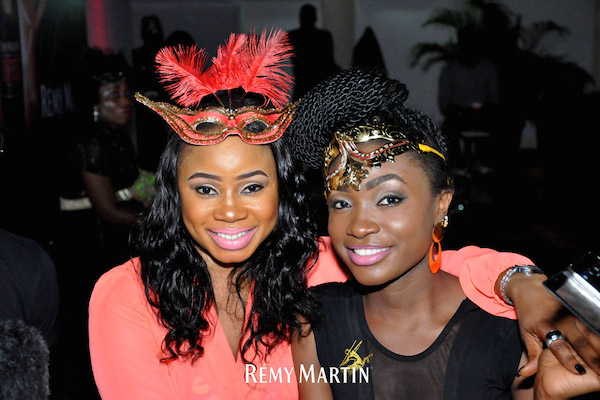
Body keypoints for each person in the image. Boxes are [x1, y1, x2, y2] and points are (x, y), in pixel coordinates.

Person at [88, 32, 594, 400]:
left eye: (253, 186)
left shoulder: (308, 265)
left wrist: (522, 282)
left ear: (282, 193)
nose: (230, 210)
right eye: (204, 188)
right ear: (174, 193)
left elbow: (436, 265)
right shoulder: (129, 296)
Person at [286, 67, 600, 399]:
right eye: (341, 204)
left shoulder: (510, 328)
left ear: (441, 204)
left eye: (389, 199)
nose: (359, 226)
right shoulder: (314, 321)